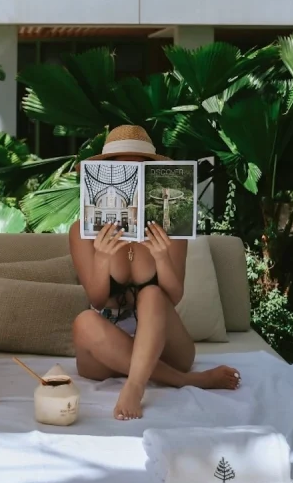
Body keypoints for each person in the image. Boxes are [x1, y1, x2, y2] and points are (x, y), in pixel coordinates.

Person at [70, 125, 240, 421]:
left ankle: (135, 385)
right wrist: (101, 258)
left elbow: (173, 296)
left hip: (164, 344)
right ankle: (187, 381)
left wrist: (161, 257)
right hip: (106, 349)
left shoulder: (171, 227)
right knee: (84, 320)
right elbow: (97, 299)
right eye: (123, 171)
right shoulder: (82, 232)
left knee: (152, 294)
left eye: (140, 170)